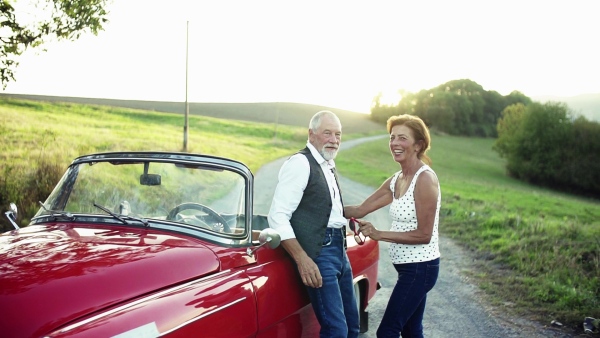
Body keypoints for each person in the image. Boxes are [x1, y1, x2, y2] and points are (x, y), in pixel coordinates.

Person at [345, 114, 441, 338]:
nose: (395, 143)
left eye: (402, 138)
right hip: (408, 268)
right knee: (411, 330)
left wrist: (378, 234)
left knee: (387, 331)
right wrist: (323, 207)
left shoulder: (425, 179)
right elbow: (360, 210)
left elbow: (424, 235)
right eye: (392, 137)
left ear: (418, 145)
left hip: (421, 268)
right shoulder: (397, 179)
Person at [268, 110, 360, 338]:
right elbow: (277, 216)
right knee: (336, 330)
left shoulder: (327, 163)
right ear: (311, 134)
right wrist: (303, 259)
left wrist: (350, 219)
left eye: (338, 134)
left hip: (340, 249)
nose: (334, 139)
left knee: (352, 326)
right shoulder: (300, 163)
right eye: (327, 133)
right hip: (320, 253)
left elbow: (325, 209)